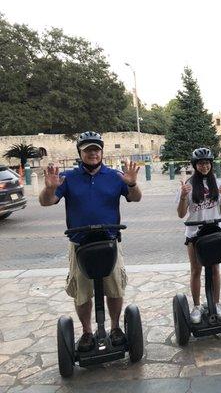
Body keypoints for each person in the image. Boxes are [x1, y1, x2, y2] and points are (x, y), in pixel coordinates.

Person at [39, 131, 141, 351]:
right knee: (82, 292)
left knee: (114, 288)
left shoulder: (115, 176)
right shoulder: (68, 178)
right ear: (80, 153)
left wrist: (132, 185)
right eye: (88, 150)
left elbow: (135, 198)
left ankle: (114, 328)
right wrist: (49, 189)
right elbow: (47, 202)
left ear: (102, 152)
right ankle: (86, 332)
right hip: (80, 244)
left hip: (110, 241)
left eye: (96, 149)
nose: (93, 153)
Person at [177, 147, 221, 324]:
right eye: (200, 163)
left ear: (211, 164)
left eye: (207, 163)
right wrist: (184, 196)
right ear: (195, 165)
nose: (204, 166)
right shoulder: (189, 186)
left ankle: (215, 303)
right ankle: (197, 305)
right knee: (196, 269)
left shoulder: (219, 182)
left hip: (215, 232)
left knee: (215, 269)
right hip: (195, 233)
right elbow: (181, 214)